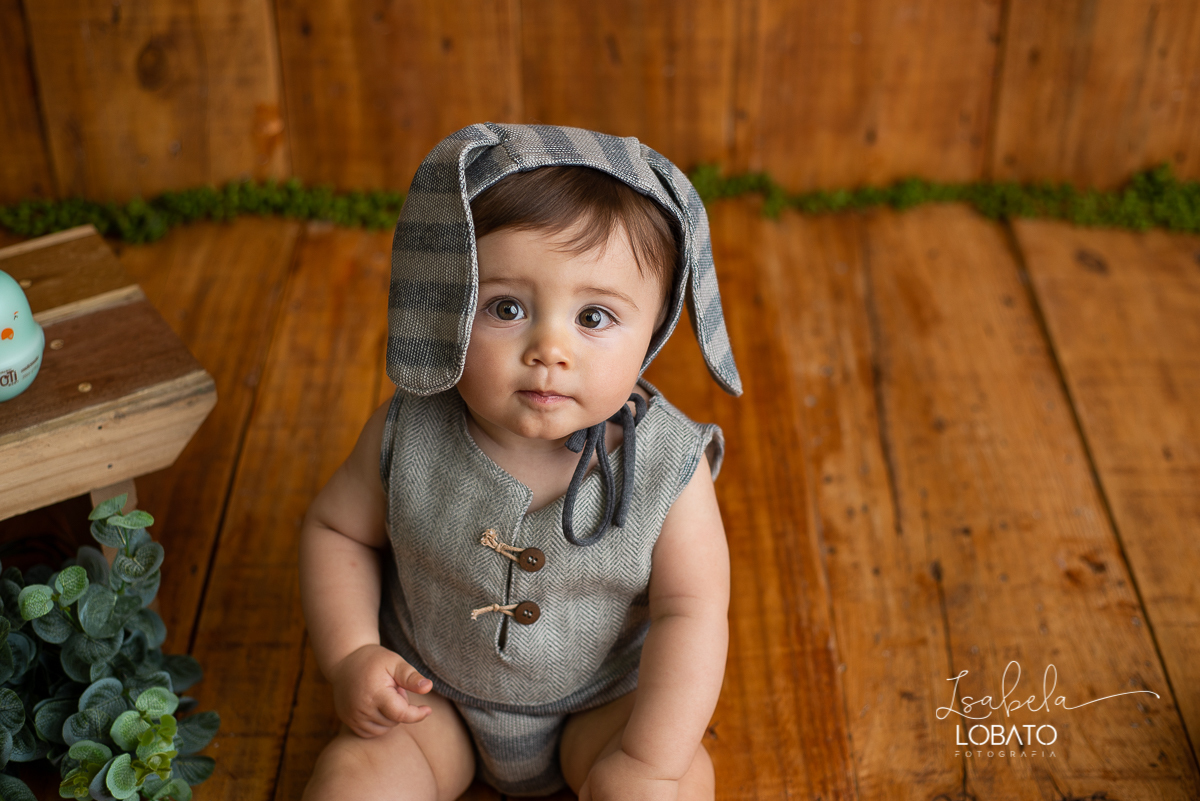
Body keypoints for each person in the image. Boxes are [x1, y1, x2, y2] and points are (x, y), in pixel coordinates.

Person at [299, 123, 743, 800]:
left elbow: (694, 611)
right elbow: (338, 531)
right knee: (352, 781)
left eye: (594, 317)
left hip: (601, 705)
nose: (549, 349)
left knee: (667, 784)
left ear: (655, 326)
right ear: (448, 305)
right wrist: (352, 652)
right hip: (431, 697)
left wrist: (649, 759)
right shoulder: (409, 429)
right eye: (506, 307)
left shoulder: (667, 466)